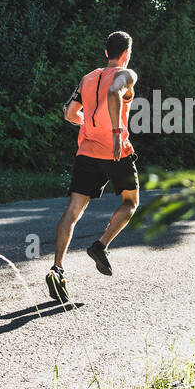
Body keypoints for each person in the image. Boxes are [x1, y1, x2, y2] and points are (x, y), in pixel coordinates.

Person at [46, 31, 139, 302]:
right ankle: (101, 245)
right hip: (116, 151)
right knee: (130, 203)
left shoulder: (88, 78)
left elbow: (69, 113)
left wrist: (89, 124)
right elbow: (113, 93)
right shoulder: (127, 74)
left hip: (86, 151)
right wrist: (115, 132)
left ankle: (57, 269)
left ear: (105, 52)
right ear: (126, 53)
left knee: (73, 210)